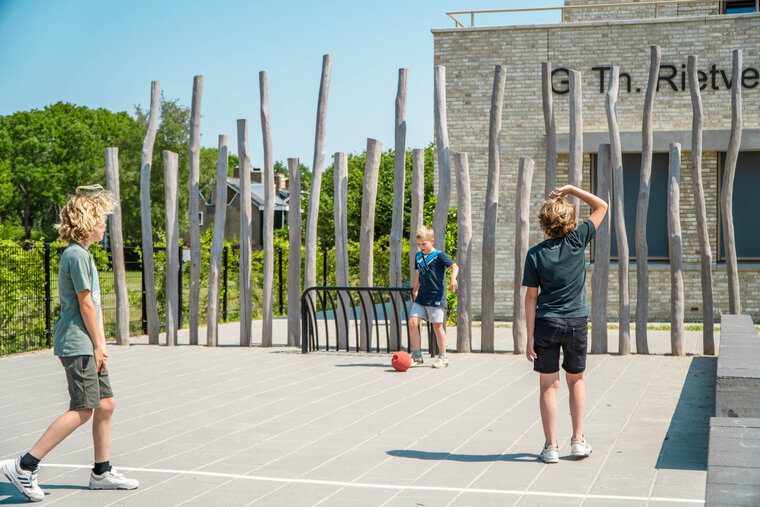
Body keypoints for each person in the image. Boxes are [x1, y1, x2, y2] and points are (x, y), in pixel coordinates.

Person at [2, 185, 139, 502]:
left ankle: (101, 473)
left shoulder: (83, 255)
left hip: (88, 343)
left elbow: (94, 304)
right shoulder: (76, 255)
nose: (105, 226)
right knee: (83, 409)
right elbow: (86, 304)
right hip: (78, 344)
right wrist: (97, 345)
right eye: (102, 220)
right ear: (89, 223)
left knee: (106, 404)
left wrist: (101, 344)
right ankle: (24, 465)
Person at [522, 184, 608, 464]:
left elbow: (531, 298)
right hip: (575, 322)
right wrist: (571, 189)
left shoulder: (534, 254)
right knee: (577, 379)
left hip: (546, 323)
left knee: (549, 385)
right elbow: (602, 206)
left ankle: (550, 447)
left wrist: (529, 336)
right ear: (570, 221)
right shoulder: (578, 240)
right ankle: (578, 441)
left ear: (543, 223)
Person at [409, 225, 459, 369]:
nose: (421, 247)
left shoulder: (439, 255)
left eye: (424, 244)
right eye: (418, 244)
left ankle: (443, 357)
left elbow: (454, 266)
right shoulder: (418, 256)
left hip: (436, 295)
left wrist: (453, 279)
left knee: (437, 326)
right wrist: (415, 288)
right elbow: (419, 272)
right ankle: (417, 355)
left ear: (432, 241)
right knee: (413, 322)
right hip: (421, 296)